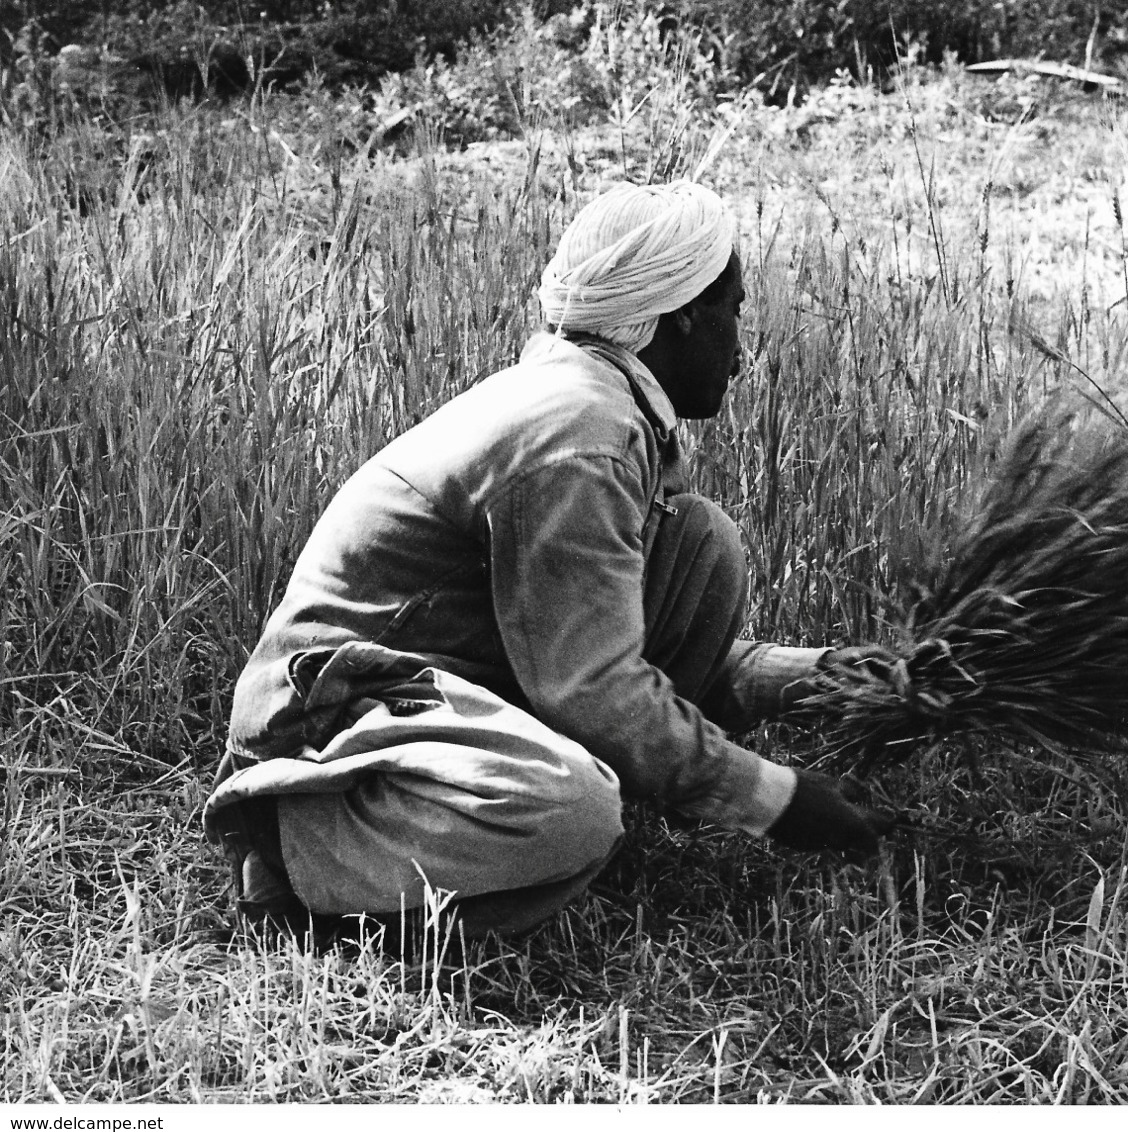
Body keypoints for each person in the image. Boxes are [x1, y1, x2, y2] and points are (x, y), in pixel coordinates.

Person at [203, 180, 896, 940]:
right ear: (685, 315)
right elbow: (595, 689)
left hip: (440, 688)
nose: (742, 343)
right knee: (573, 811)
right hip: (330, 723)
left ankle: (480, 836)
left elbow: (594, 645)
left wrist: (843, 677)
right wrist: (780, 801)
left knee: (701, 545)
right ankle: (306, 861)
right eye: (735, 309)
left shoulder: (589, 404)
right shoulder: (580, 434)